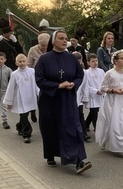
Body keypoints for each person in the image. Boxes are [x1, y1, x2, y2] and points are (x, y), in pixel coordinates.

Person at [35, 30, 92, 173]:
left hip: (67, 98)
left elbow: (80, 75)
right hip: (50, 99)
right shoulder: (44, 59)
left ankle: (78, 161)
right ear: (53, 41)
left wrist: (74, 84)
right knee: (51, 128)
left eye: (65, 39)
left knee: (72, 127)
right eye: (61, 38)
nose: (64, 41)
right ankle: (50, 155)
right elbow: (39, 80)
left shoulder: (72, 58)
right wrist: (58, 85)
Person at [95, 50, 123, 159]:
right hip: (112, 101)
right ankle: (105, 141)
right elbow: (103, 88)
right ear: (116, 61)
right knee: (112, 123)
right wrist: (114, 90)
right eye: (122, 58)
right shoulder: (110, 73)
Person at [4, 54, 39, 143]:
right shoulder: (14, 74)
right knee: (23, 114)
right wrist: (9, 101)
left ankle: (20, 126)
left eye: (24, 61)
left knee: (25, 115)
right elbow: (11, 87)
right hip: (20, 98)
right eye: (20, 62)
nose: (22, 63)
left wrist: (39, 94)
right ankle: (27, 134)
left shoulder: (32, 71)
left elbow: (36, 84)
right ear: (16, 63)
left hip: (31, 96)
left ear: (27, 62)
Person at [82, 53, 105, 137]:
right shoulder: (87, 73)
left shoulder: (101, 71)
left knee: (93, 112)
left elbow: (104, 81)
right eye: (93, 61)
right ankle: (96, 128)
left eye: (96, 60)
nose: (95, 63)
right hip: (93, 95)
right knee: (94, 112)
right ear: (88, 63)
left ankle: (86, 124)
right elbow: (87, 85)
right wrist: (95, 91)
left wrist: (103, 89)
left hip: (101, 94)